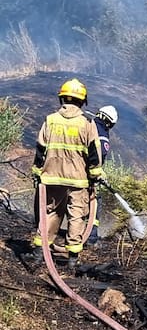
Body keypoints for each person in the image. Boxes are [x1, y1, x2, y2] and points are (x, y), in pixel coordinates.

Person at [29, 78, 103, 269]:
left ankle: (39, 254)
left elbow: (40, 149)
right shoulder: (87, 124)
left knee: (51, 214)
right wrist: (95, 175)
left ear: (62, 99)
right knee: (76, 217)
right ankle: (72, 261)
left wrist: (37, 170)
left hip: (51, 179)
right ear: (82, 101)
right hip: (78, 182)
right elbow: (94, 154)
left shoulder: (50, 120)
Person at [87, 105, 118, 249]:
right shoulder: (102, 135)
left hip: (70, 173)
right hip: (87, 178)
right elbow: (100, 156)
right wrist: (98, 172)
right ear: (108, 122)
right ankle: (91, 239)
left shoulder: (88, 124)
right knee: (94, 205)